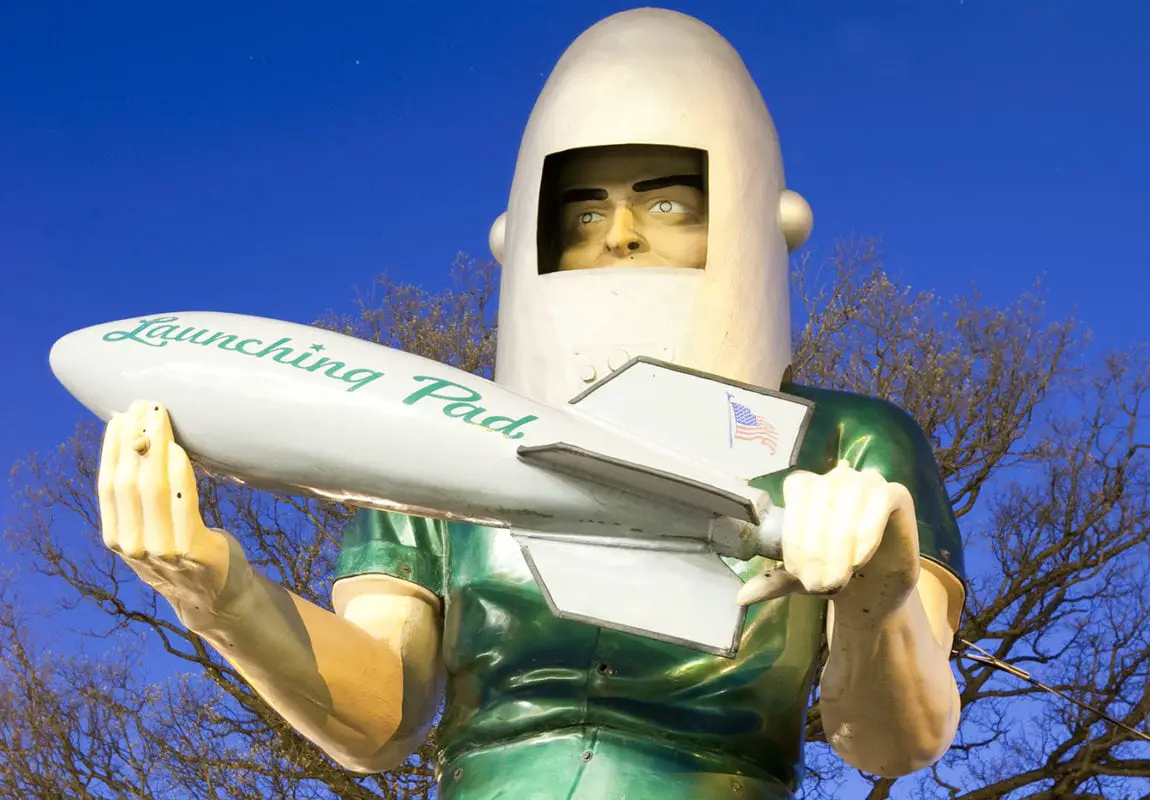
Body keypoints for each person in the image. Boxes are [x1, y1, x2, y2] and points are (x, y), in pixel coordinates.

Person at [95, 9, 966, 799]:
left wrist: (878, 598)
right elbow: (381, 715)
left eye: (668, 202)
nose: (620, 234)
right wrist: (218, 592)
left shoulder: (853, 441)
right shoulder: (433, 437)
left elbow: (893, 742)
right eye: (582, 210)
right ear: (521, 234)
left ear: (753, 216)